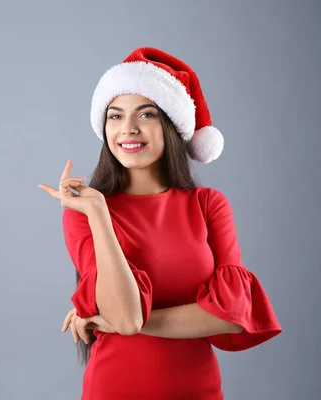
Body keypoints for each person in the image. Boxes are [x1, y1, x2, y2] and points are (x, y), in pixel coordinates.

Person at [38, 47, 282, 399]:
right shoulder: (84, 212)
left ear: (171, 124)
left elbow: (231, 315)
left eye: (146, 114)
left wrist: (116, 321)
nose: (128, 129)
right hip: (114, 388)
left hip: (198, 390)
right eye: (115, 116)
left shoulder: (208, 205)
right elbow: (126, 317)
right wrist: (100, 214)